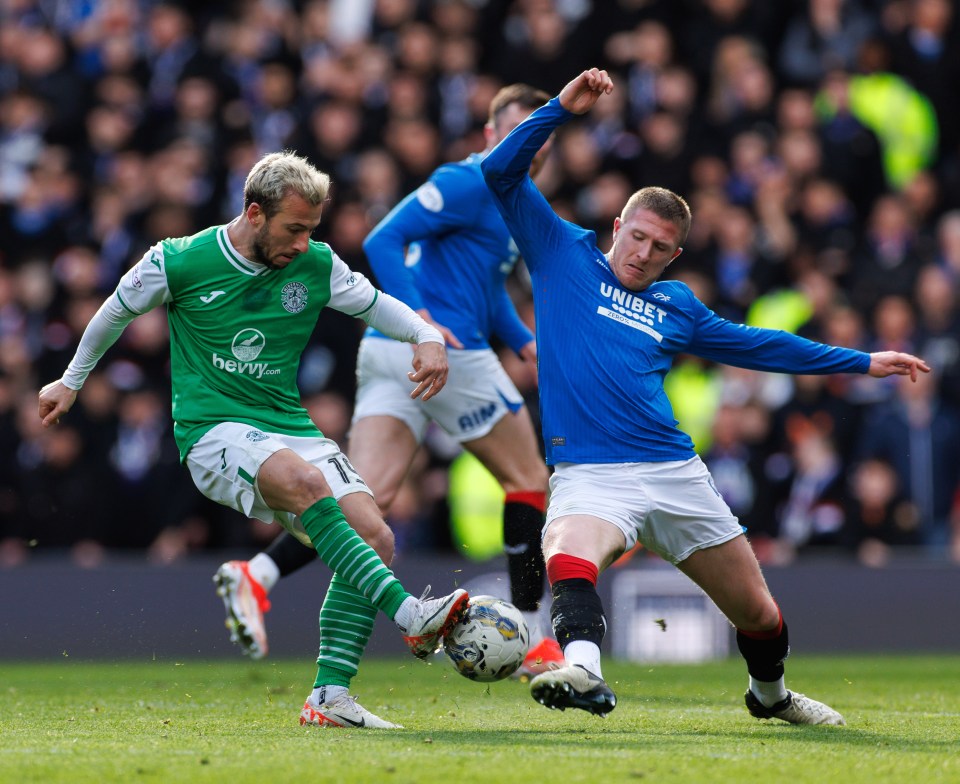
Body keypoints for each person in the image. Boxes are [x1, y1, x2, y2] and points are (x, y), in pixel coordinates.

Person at [480, 68, 931, 724]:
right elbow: (499, 172)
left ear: (676, 254)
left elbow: (761, 345)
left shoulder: (675, 306)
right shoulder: (561, 252)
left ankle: (769, 696)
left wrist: (862, 361)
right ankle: (583, 669)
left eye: (659, 249)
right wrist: (559, 109)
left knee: (759, 613)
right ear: (616, 225)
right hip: (591, 472)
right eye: (635, 237)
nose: (641, 254)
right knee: (568, 553)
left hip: (673, 472)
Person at [38, 151, 471, 730]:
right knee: (306, 483)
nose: (303, 242)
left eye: (311, 229)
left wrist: (424, 335)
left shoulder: (315, 264)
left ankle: (329, 698)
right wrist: (71, 380)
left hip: (286, 421)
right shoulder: (180, 259)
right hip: (212, 431)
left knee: (375, 536)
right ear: (254, 212)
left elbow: (372, 303)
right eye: (294, 228)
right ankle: (411, 612)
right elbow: (114, 313)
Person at [213, 84, 563, 676]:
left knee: (363, 503)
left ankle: (257, 574)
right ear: (489, 135)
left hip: (391, 353)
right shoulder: (467, 181)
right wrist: (421, 317)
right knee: (528, 479)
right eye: (516, 134)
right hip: (446, 351)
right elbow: (382, 238)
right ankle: (533, 635)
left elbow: (486, 285)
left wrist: (522, 338)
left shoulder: (511, 198)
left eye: (539, 140)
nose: (528, 148)